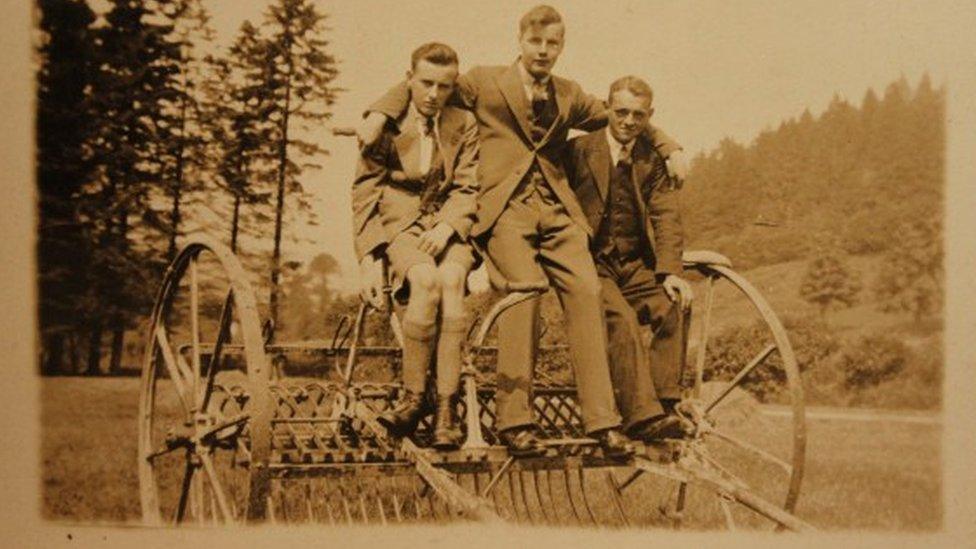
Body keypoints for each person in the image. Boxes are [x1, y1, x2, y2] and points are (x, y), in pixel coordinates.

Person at [357, 5, 685, 459]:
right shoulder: (483, 81)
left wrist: (669, 146)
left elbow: (623, 118)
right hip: (504, 212)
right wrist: (378, 111)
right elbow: (425, 86)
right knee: (524, 293)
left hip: (558, 213)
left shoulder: (570, 94)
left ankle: (604, 422)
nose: (544, 52)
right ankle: (516, 421)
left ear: (561, 47)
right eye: (536, 42)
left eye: (553, 44)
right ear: (520, 40)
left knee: (588, 291)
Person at [351, 42, 480, 450]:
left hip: (451, 227)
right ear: (409, 80)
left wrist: (448, 226)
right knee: (425, 281)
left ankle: (446, 406)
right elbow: (365, 192)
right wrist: (370, 260)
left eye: (444, 86)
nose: (433, 95)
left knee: (453, 279)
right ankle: (413, 399)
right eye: (426, 83)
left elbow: (468, 185)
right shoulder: (388, 125)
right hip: (403, 224)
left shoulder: (464, 122)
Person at [564, 76, 694, 442]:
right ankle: (640, 416)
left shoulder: (650, 162)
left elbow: (666, 216)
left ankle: (665, 405)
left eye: (638, 115)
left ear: (649, 116)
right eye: (620, 112)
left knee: (674, 304)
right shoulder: (577, 151)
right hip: (591, 264)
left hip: (634, 264)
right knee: (619, 317)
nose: (628, 121)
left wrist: (670, 272)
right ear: (607, 109)